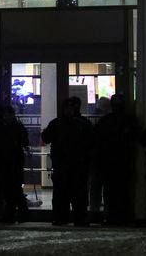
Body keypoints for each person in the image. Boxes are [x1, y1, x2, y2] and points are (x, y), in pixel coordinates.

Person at [42, 96, 94, 226]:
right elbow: (46, 137)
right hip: (66, 165)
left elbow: (91, 143)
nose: (69, 110)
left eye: (71, 107)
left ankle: (72, 218)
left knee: (74, 194)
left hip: (74, 165)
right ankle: (67, 218)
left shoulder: (61, 123)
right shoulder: (80, 123)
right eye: (68, 108)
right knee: (65, 194)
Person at [93, 94, 139, 225]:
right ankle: (123, 216)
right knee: (123, 191)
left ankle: (111, 216)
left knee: (110, 193)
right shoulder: (130, 121)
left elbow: (97, 141)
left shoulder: (105, 121)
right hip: (123, 161)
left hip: (110, 162)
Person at [0, 103, 29, 223]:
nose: (6, 117)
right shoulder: (7, 127)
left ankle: (10, 215)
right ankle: (11, 215)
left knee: (10, 191)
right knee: (10, 191)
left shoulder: (7, 127)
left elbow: (23, 141)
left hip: (9, 163)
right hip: (6, 163)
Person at [88, 96, 110, 222]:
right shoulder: (108, 120)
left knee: (95, 187)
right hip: (106, 158)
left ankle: (94, 212)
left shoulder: (92, 119)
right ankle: (106, 212)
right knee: (106, 187)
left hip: (95, 158)